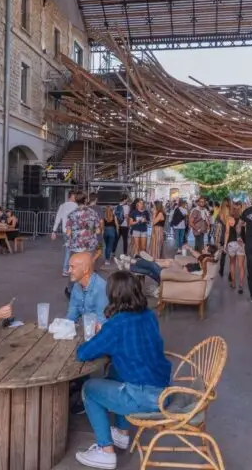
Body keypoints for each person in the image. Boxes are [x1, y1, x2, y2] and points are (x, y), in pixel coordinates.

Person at [73, 270, 171, 469]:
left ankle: (105, 451)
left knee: (89, 389)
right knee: (116, 371)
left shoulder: (116, 325)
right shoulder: (149, 315)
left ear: (113, 295)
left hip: (144, 398)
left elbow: (84, 353)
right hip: (164, 390)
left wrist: (102, 334)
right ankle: (121, 433)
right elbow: (134, 343)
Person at [66, 252, 108, 325]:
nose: (69, 271)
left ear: (85, 269)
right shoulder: (77, 285)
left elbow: (102, 323)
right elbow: (72, 314)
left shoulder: (101, 288)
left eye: (72, 267)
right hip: (87, 330)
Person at [52, 191, 79, 276]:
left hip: (65, 231)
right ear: (71, 197)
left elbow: (58, 218)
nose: (75, 198)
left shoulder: (62, 206)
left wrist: (54, 230)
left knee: (67, 250)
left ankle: (65, 269)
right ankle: (71, 268)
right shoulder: (77, 206)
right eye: (74, 197)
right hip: (74, 231)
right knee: (75, 251)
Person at [222, 202, 245, 294]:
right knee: (241, 266)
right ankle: (241, 284)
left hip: (231, 243)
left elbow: (227, 233)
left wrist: (224, 245)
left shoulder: (229, 219)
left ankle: (233, 282)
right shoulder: (243, 220)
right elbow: (245, 231)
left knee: (232, 264)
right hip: (241, 244)